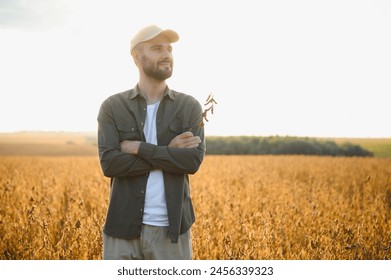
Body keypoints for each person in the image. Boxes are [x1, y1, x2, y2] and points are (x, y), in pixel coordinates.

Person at [97, 25, 206, 260]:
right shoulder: (112, 107)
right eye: (157, 48)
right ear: (137, 57)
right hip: (122, 231)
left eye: (169, 49)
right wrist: (168, 153)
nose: (167, 54)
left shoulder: (189, 107)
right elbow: (110, 164)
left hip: (171, 233)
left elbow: (192, 161)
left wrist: (139, 149)